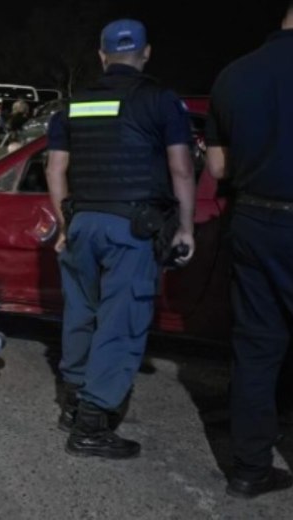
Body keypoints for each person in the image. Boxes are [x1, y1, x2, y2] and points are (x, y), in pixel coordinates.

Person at [44, 19, 196, 459]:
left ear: (101, 56)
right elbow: (182, 169)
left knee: (81, 313)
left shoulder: (73, 106)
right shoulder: (160, 103)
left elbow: (56, 171)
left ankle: (72, 404)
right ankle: (91, 425)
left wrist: (65, 224)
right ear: (146, 54)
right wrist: (185, 227)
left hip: (83, 224)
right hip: (132, 228)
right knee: (121, 320)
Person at [204, 1, 293, 499]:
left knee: (257, 350)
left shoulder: (235, 75)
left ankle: (249, 471)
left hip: (256, 220)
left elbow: (217, 168)